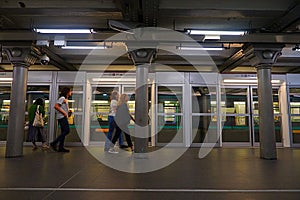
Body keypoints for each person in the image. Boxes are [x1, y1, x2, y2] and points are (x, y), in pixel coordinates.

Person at [50, 87, 72, 152]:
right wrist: (64, 113)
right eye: (70, 91)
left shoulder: (65, 99)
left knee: (63, 132)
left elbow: (61, 108)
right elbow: (56, 106)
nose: (71, 92)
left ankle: (61, 147)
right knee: (67, 131)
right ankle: (54, 143)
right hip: (62, 117)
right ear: (67, 92)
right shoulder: (62, 98)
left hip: (63, 116)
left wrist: (68, 112)